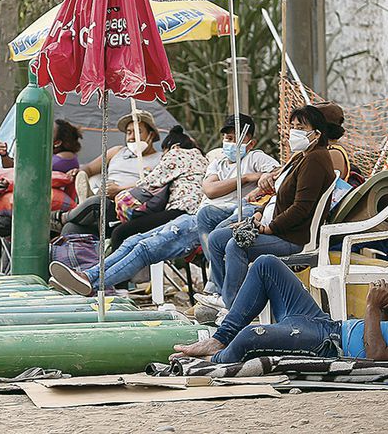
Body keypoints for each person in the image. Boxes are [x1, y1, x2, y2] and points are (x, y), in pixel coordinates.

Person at [173, 255, 388, 364]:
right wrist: (387, 308)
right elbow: (383, 332)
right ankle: (219, 339)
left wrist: (371, 308)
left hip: (329, 343)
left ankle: (214, 360)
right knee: (266, 265)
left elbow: (375, 357)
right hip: (325, 323)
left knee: (250, 337)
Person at [203, 105, 337, 309]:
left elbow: (301, 208)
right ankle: (226, 296)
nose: (294, 132)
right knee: (216, 238)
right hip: (272, 225)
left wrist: (269, 228)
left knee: (236, 245)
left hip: (292, 237)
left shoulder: (315, 160)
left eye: (300, 127)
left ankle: (234, 307)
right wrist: (257, 214)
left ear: (316, 134)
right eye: (292, 126)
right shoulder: (301, 157)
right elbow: (278, 197)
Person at [192, 113, 280, 294]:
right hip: (219, 209)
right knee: (204, 215)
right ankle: (218, 281)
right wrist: (247, 177)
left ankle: (217, 288)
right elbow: (210, 190)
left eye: (235, 139)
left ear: (251, 143)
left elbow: (279, 173)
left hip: (247, 208)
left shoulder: (256, 157)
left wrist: (263, 178)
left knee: (218, 235)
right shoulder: (218, 163)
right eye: (227, 138)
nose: (230, 143)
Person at [58, 110, 163, 237]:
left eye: (138, 131)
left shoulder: (161, 159)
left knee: (97, 203)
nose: (131, 137)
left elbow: (154, 186)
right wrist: (79, 172)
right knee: (70, 228)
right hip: (106, 205)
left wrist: (119, 190)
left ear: (151, 135)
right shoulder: (117, 151)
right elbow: (89, 169)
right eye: (129, 132)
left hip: (131, 209)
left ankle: (59, 218)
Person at [107, 125, 208, 251]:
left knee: (120, 233)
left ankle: (114, 270)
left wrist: (121, 195)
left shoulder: (176, 153)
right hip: (203, 215)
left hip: (182, 212)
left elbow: (149, 183)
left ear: (172, 146)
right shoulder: (204, 159)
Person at [0, 118, 83, 174]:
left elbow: (23, 171)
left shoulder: (65, 157)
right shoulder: (46, 155)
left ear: (57, 143)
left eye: (48, 131)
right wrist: (4, 156)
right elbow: (15, 168)